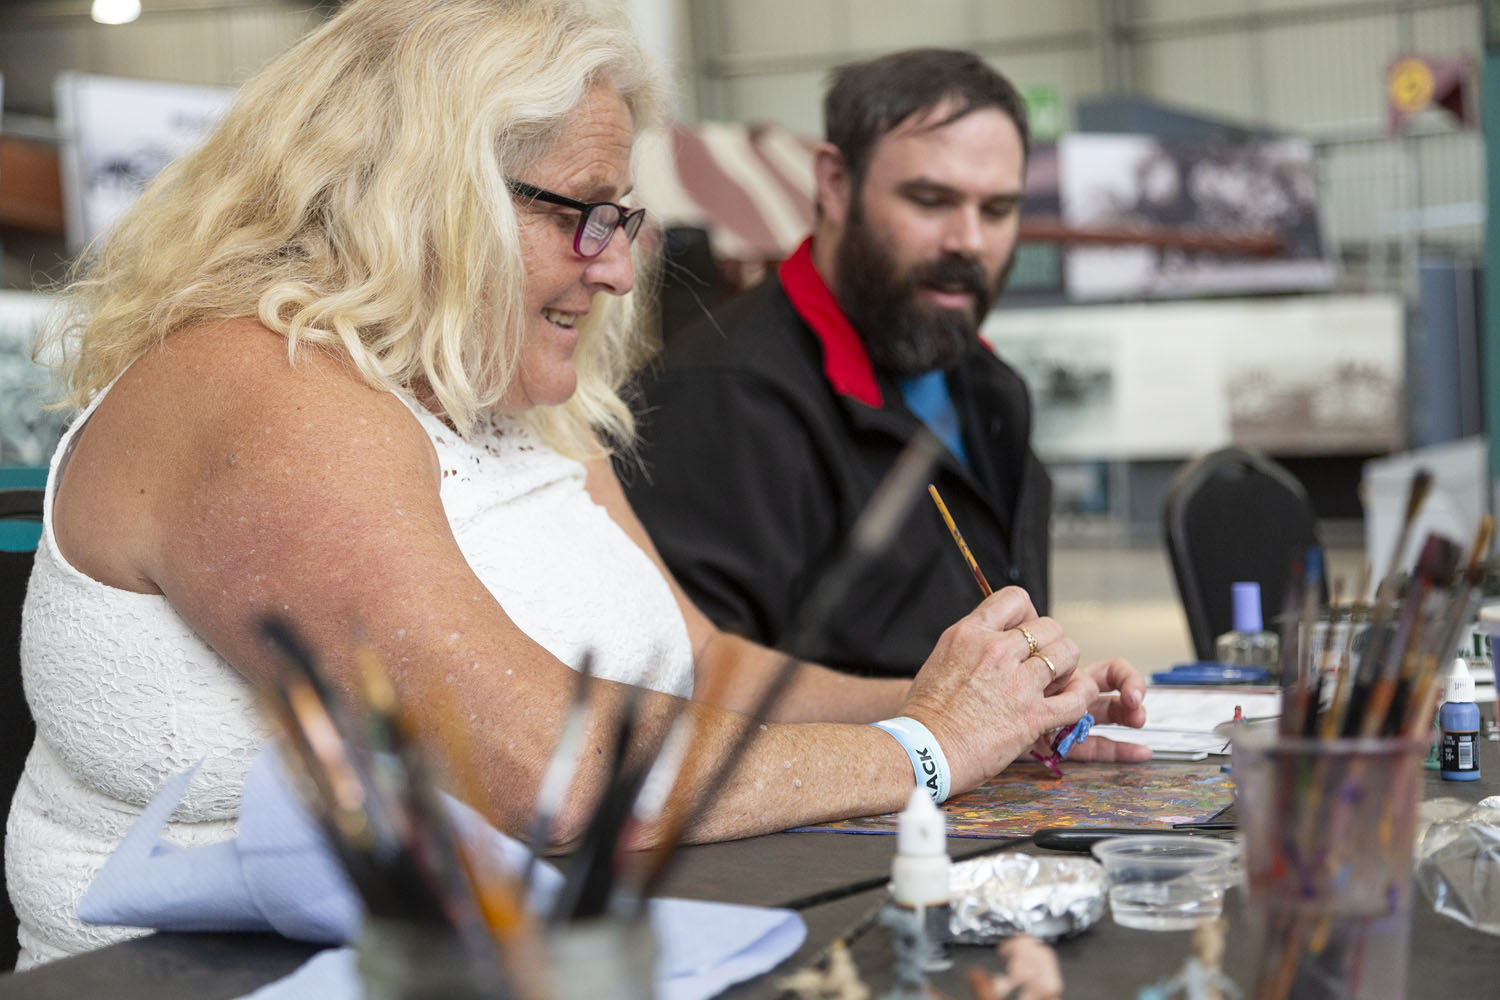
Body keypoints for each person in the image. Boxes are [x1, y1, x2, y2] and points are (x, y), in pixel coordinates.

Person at [5, 1, 1148, 970]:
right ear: (420, 191)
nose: (615, 267)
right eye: (585, 213)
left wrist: (985, 699)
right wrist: (931, 745)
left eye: (625, 218)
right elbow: (543, 767)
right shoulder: (257, 388)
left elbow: (706, 664)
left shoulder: (512, 397)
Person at [622, 48, 1052, 678]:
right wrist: (946, 724)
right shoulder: (721, 401)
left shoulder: (992, 390)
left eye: (997, 210)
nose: (968, 240)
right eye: (930, 200)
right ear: (834, 183)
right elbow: (696, 698)